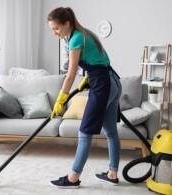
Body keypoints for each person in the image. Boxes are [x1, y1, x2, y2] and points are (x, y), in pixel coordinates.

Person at [47, 7, 122, 188]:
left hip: (103, 85)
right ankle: (112, 173)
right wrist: (88, 78)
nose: (54, 33)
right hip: (113, 82)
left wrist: (60, 100)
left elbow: (70, 75)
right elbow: (100, 61)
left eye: (56, 28)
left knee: (84, 132)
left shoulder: (76, 39)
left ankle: (73, 177)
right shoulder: (85, 33)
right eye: (52, 30)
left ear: (67, 24)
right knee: (111, 131)